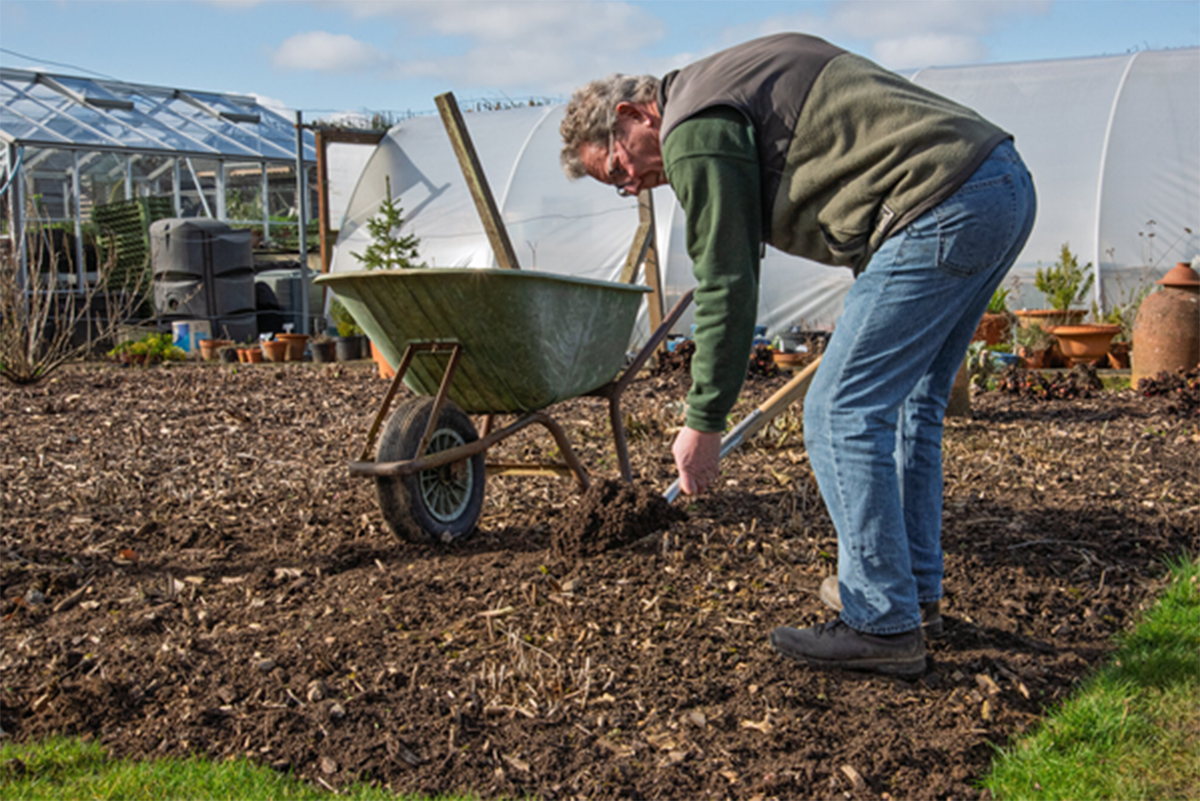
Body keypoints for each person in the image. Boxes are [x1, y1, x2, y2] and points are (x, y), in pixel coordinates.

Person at [559, 32, 1037, 678]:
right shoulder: (725, 85)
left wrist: (704, 420)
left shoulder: (691, 127)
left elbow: (727, 282)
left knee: (838, 412)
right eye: (616, 186)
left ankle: (879, 620)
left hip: (941, 202)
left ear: (632, 116)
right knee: (909, 408)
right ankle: (912, 598)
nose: (631, 186)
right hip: (995, 183)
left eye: (618, 169)